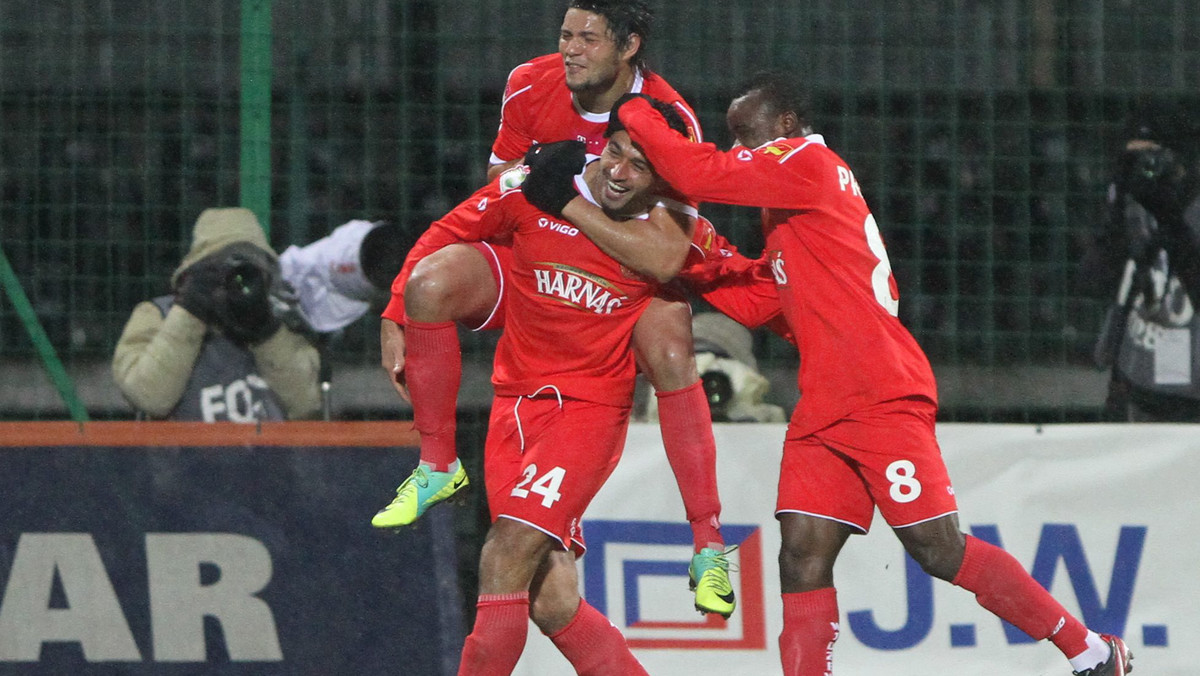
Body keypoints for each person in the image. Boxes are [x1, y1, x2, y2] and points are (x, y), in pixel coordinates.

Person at [613, 73, 1134, 675]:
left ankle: (1090, 649)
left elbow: (702, 174)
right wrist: (691, 264)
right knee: (801, 555)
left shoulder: (808, 163)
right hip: (826, 401)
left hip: (879, 392)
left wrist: (634, 111)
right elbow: (769, 304)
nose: (738, 151)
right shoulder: (791, 204)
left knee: (937, 550)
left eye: (744, 134)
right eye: (731, 138)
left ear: (785, 125)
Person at [373, 0, 738, 618]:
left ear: (628, 47)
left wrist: (573, 206)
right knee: (429, 285)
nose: (570, 49)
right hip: (538, 267)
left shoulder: (669, 117)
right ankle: (437, 463)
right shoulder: (527, 83)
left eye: (587, 39)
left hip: (628, 273)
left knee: (674, 351)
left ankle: (706, 542)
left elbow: (667, 253)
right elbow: (503, 193)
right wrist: (394, 309)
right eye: (565, 35)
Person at [405, 102, 695, 675]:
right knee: (550, 598)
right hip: (515, 407)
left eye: (639, 164)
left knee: (504, 551)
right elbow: (450, 230)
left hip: (585, 413)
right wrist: (399, 311)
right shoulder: (535, 174)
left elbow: (671, 261)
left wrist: (558, 199)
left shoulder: (670, 217)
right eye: (615, 151)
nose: (620, 170)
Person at [113, 207, 322, 422]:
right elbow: (150, 398)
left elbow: (305, 404)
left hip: (265, 455)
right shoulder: (157, 316)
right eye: (221, 272)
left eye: (247, 273)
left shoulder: (283, 321)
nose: (236, 282)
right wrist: (191, 310)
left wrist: (266, 331)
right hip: (183, 455)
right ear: (195, 274)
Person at [1089, 100, 1200, 422]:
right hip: (1140, 378)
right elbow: (1094, 280)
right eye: (1133, 156)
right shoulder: (1132, 203)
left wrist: (1171, 218)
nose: (1145, 166)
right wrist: (1115, 208)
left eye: (1153, 155)